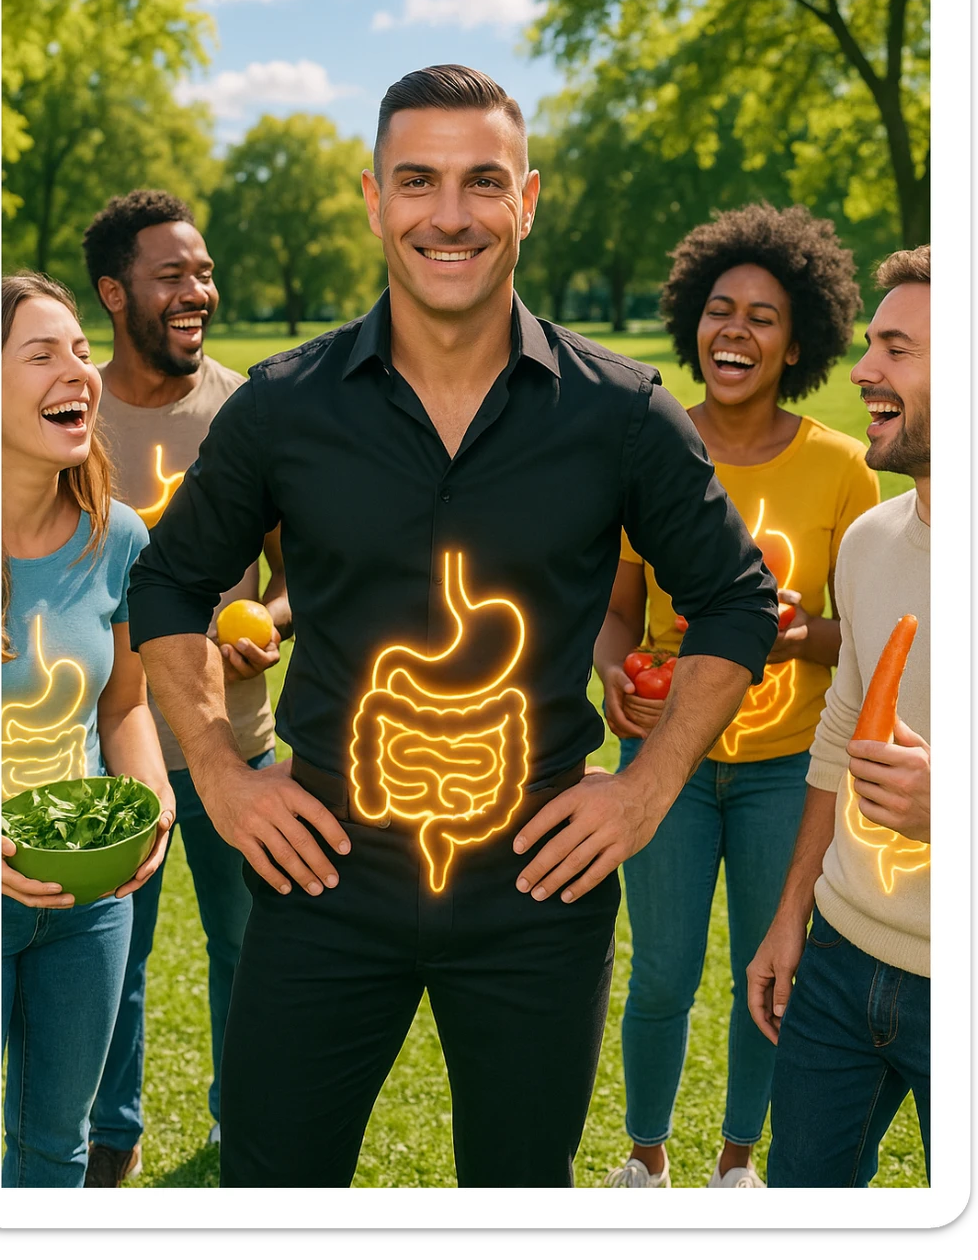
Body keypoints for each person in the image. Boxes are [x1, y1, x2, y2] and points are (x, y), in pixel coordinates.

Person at [126, 64, 779, 1189]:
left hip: (537, 888)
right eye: (417, 180)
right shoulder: (282, 406)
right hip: (320, 874)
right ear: (374, 196)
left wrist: (645, 786)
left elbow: (736, 599)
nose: (449, 214)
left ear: (526, 200)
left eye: (482, 181)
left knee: (517, 1190)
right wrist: (226, 782)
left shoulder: (619, 411)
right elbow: (168, 587)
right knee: (273, 1186)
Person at [597, 205, 880, 1190]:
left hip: (786, 773)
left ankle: (736, 1164)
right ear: (692, 322)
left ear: (797, 340)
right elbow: (617, 612)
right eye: (720, 310)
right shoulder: (652, 447)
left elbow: (872, 630)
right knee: (663, 973)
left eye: (762, 316)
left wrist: (795, 635)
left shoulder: (843, 470)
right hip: (664, 765)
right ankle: (643, 1158)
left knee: (772, 972)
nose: (735, 331)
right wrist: (611, 680)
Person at [79, 191, 290, 1186]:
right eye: (173, 275)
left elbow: (304, 575)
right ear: (114, 293)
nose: (197, 291)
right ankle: (104, 1140)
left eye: (202, 272)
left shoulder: (249, 411)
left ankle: (240, 1124)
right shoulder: (69, 416)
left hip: (233, 745)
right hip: (105, 751)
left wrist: (269, 627)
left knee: (246, 954)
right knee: (108, 966)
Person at [748, 245, 931, 1187]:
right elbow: (837, 735)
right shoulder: (868, 542)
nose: (863, 371)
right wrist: (791, 918)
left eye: (896, 351)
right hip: (839, 958)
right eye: (869, 347)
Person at [1, 272, 174, 1188]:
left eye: (80, 349)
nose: (78, 370)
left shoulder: (120, 539)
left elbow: (125, 706)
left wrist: (153, 792)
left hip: (90, 902)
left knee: (56, 1148)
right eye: (41, 354)